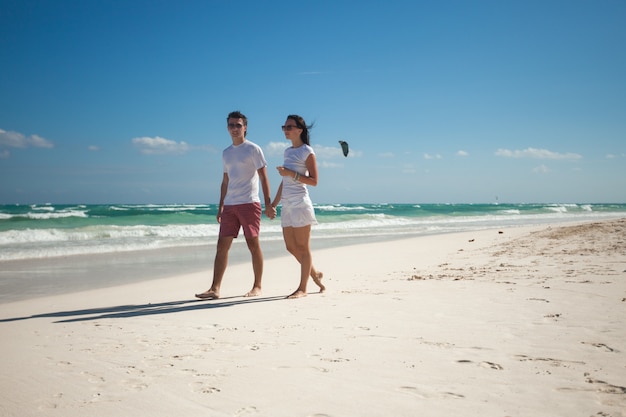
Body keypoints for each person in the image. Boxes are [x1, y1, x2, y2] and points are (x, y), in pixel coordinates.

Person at [196, 111, 276, 300]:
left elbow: (264, 177)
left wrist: (268, 203)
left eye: (238, 125)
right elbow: (225, 181)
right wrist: (221, 206)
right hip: (230, 205)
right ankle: (215, 289)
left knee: (253, 245)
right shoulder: (226, 153)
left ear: (245, 128)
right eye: (231, 125)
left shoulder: (253, 149)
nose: (234, 128)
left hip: (249, 203)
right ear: (227, 128)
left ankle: (257, 286)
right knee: (221, 247)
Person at [271, 115, 325, 299]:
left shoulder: (306, 151)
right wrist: (273, 204)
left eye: (289, 127)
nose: (285, 130)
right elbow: (284, 181)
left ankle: (303, 289)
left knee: (303, 247)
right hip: (286, 205)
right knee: (291, 247)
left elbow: (314, 181)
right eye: (284, 127)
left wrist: (290, 173)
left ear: (299, 130)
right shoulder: (287, 152)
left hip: (301, 203)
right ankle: (314, 274)